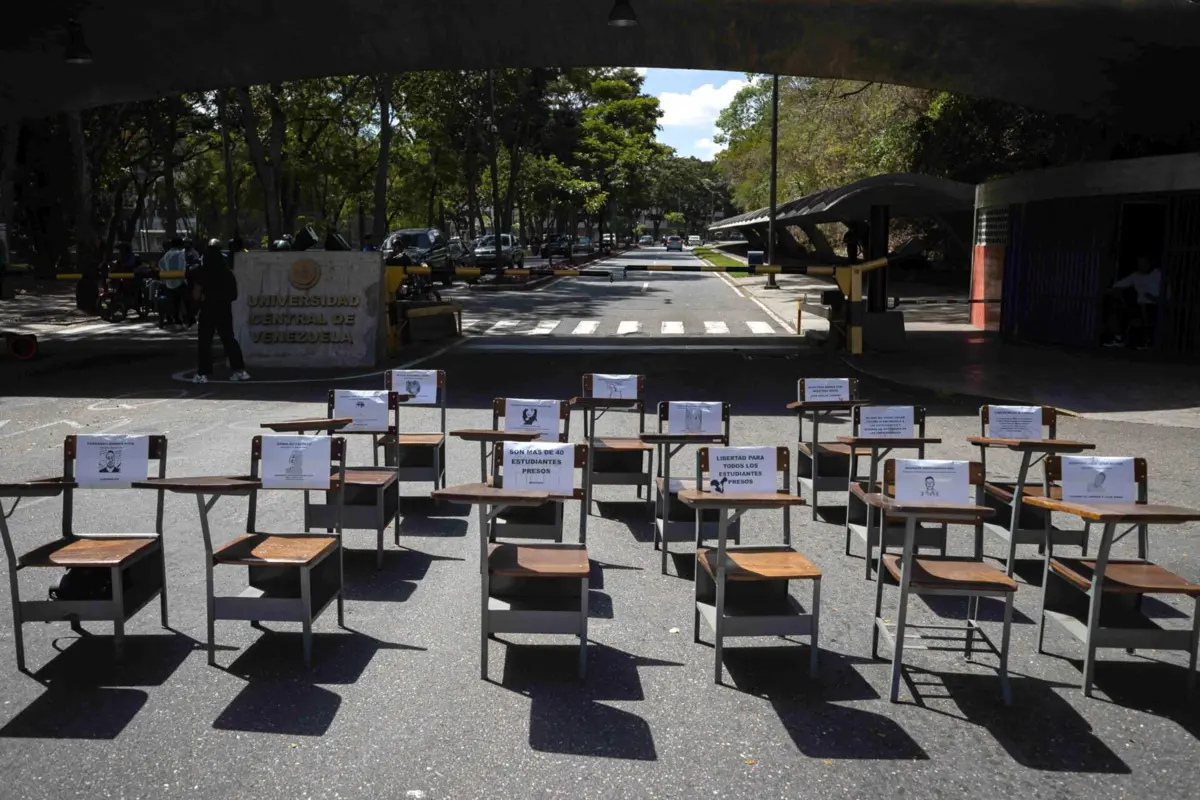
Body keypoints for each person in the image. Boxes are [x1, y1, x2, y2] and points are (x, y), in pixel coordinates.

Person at [192, 239, 249, 383]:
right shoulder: (227, 273)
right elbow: (234, 295)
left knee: (205, 341)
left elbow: (196, 294)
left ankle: (203, 373)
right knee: (229, 339)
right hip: (224, 309)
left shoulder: (202, 271)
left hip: (207, 308)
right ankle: (239, 370)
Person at [1103, 256, 1161, 349]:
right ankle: (1119, 338)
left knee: (1147, 314)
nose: (1141, 266)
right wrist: (1112, 290)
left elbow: (1166, 295)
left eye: (1144, 263)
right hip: (1139, 306)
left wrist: (1153, 298)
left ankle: (1148, 342)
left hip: (1153, 305)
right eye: (1139, 263)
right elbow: (1121, 283)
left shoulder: (1158, 275)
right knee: (1118, 310)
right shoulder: (1136, 275)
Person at [159, 237, 188, 325]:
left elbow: (161, 264)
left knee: (174, 302)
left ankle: (176, 319)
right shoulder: (181, 253)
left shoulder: (167, 254)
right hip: (180, 282)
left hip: (169, 283)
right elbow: (182, 267)